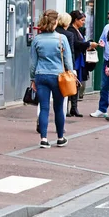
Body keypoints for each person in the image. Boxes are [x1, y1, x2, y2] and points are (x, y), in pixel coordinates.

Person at [30, 10, 73, 149]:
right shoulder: (61, 39)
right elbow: (67, 60)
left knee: (43, 107)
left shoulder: (37, 39)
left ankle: (43, 138)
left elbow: (33, 62)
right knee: (59, 108)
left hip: (41, 75)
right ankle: (60, 137)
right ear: (55, 23)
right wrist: (71, 73)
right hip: (58, 76)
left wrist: (32, 79)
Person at [69, 10, 99, 109]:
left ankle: (74, 106)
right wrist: (89, 44)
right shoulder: (71, 31)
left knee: (77, 82)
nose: (83, 22)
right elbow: (76, 44)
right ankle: (70, 106)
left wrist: (88, 46)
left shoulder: (80, 30)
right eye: (81, 20)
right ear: (75, 20)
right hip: (76, 59)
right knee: (73, 82)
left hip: (80, 58)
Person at [55, 13, 76, 117]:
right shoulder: (68, 35)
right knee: (63, 93)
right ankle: (62, 116)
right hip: (62, 69)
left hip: (45, 71)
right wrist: (72, 70)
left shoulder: (51, 33)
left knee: (44, 101)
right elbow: (70, 54)